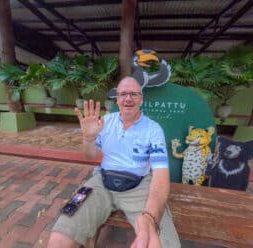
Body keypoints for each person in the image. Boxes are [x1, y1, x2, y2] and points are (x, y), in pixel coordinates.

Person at [48, 77, 181, 248]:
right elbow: (90, 156)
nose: (128, 98)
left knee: (160, 244)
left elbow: (161, 175)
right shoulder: (106, 121)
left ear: (141, 99)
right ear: (117, 99)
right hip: (101, 181)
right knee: (58, 239)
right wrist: (88, 139)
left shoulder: (153, 129)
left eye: (134, 94)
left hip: (139, 185)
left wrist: (149, 217)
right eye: (123, 94)